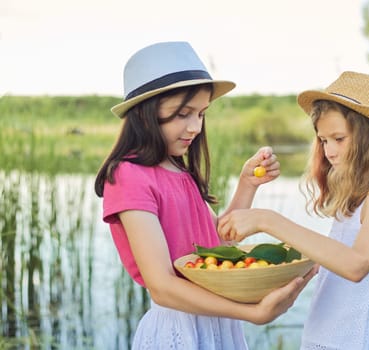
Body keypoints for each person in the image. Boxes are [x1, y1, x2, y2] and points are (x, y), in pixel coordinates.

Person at [94, 41, 316, 349]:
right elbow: (162, 286)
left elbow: (219, 246)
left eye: (201, 114)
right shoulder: (128, 176)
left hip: (217, 322)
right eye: (183, 113)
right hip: (179, 326)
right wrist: (250, 312)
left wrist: (247, 185)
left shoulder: (179, 171)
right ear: (145, 113)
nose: (195, 127)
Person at [218, 71, 369, 349]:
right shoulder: (359, 198)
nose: (329, 151)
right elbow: (340, 257)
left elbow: (356, 264)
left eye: (339, 138)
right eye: (324, 140)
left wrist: (268, 220)